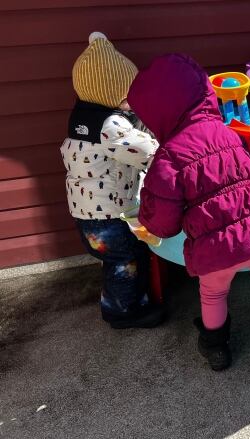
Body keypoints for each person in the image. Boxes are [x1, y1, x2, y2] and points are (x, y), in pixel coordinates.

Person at [127, 54, 250, 375]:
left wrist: (151, 219)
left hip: (215, 248)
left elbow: (162, 223)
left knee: (212, 292)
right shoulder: (231, 132)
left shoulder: (169, 156)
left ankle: (216, 348)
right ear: (203, 93)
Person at [61, 32, 164, 329]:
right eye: (128, 93)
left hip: (88, 217)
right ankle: (122, 312)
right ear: (109, 93)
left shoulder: (83, 118)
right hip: (107, 219)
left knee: (118, 261)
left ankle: (128, 300)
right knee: (125, 261)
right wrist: (172, 151)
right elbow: (148, 152)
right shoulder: (111, 126)